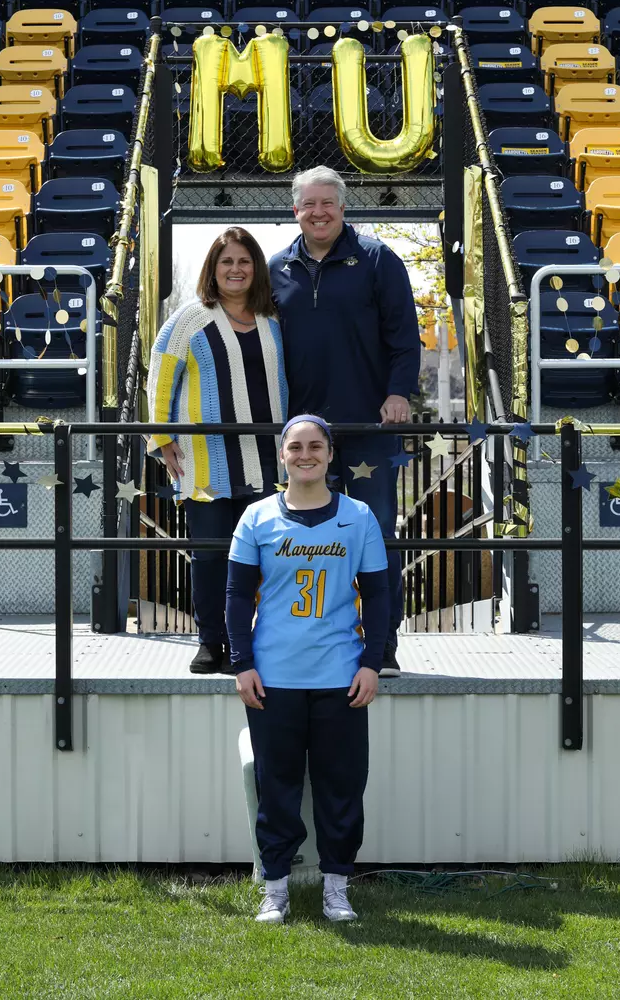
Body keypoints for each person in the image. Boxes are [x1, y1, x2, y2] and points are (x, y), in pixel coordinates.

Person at [227, 415, 389, 924]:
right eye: (295, 447)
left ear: (330, 453)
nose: (305, 455)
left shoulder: (359, 516)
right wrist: (241, 663)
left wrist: (371, 663)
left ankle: (336, 887)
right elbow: (234, 596)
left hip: (340, 676)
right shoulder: (256, 518)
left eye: (315, 446)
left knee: (342, 785)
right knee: (277, 788)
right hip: (274, 676)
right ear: (282, 455)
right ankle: (275, 888)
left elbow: (380, 595)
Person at [268, 166, 421, 677]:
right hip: (300, 439)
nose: (318, 213)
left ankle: (381, 647)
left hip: (367, 434)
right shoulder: (274, 270)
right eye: (308, 204)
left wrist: (398, 393)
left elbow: (405, 338)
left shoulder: (378, 260)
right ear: (295, 210)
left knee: (373, 537)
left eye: (327, 203)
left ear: (343, 207)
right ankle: (307, 645)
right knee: (297, 544)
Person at [147, 226, 288, 674]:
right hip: (206, 461)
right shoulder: (191, 318)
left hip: (268, 460)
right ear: (213, 268)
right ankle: (212, 642)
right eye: (226, 261)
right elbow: (161, 373)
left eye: (244, 261)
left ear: (256, 269)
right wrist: (163, 437)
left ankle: (256, 643)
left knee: (263, 558)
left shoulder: (275, 320)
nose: (235, 269)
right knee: (210, 556)